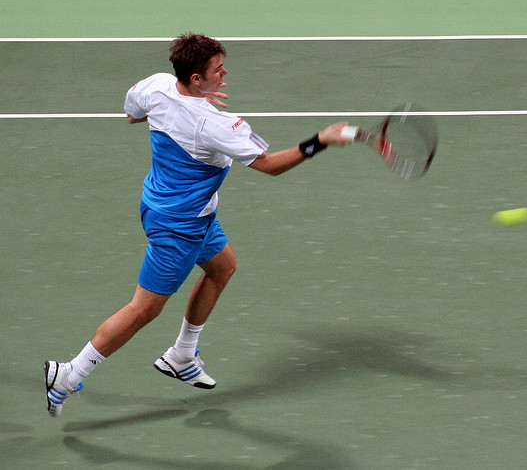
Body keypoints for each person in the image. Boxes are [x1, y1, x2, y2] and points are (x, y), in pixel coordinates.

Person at [44, 33, 350, 417]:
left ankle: (182, 354)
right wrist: (321, 140)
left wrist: (191, 104)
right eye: (217, 70)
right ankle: (69, 374)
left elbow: (133, 114)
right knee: (144, 309)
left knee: (222, 267)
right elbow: (269, 165)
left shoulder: (156, 85)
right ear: (195, 78)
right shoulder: (217, 125)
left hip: (167, 206)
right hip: (180, 226)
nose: (225, 73)